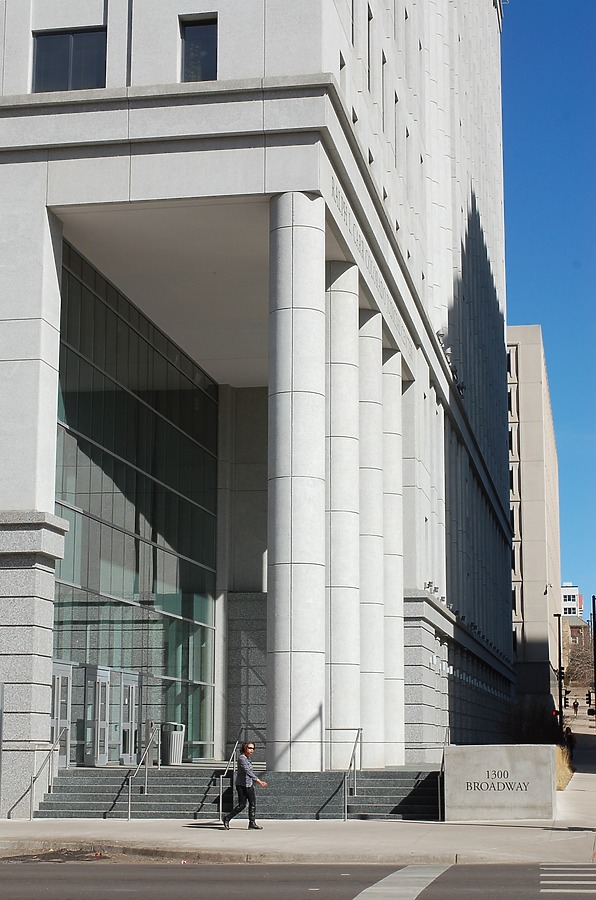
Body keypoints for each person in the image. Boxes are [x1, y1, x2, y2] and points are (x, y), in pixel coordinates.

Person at [222, 741, 267, 830]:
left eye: (253, 748)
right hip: (241, 785)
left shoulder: (248, 758)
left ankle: (252, 822)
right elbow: (248, 771)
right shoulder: (242, 758)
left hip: (249, 784)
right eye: (249, 748)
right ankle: (227, 818)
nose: (251, 750)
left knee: (253, 803)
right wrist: (258, 781)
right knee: (242, 805)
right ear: (244, 748)